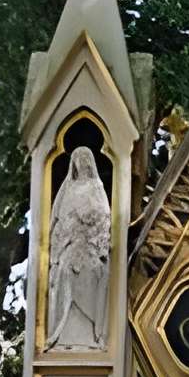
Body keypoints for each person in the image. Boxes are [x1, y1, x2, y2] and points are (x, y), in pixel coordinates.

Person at [46, 145, 111, 350]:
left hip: (90, 246)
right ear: (73, 162)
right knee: (64, 272)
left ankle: (92, 337)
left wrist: (89, 224)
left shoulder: (96, 187)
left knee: (93, 274)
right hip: (70, 245)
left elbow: (104, 217)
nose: (82, 161)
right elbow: (58, 220)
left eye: (85, 157)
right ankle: (62, 337)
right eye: (78, 157)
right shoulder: (68, 189)